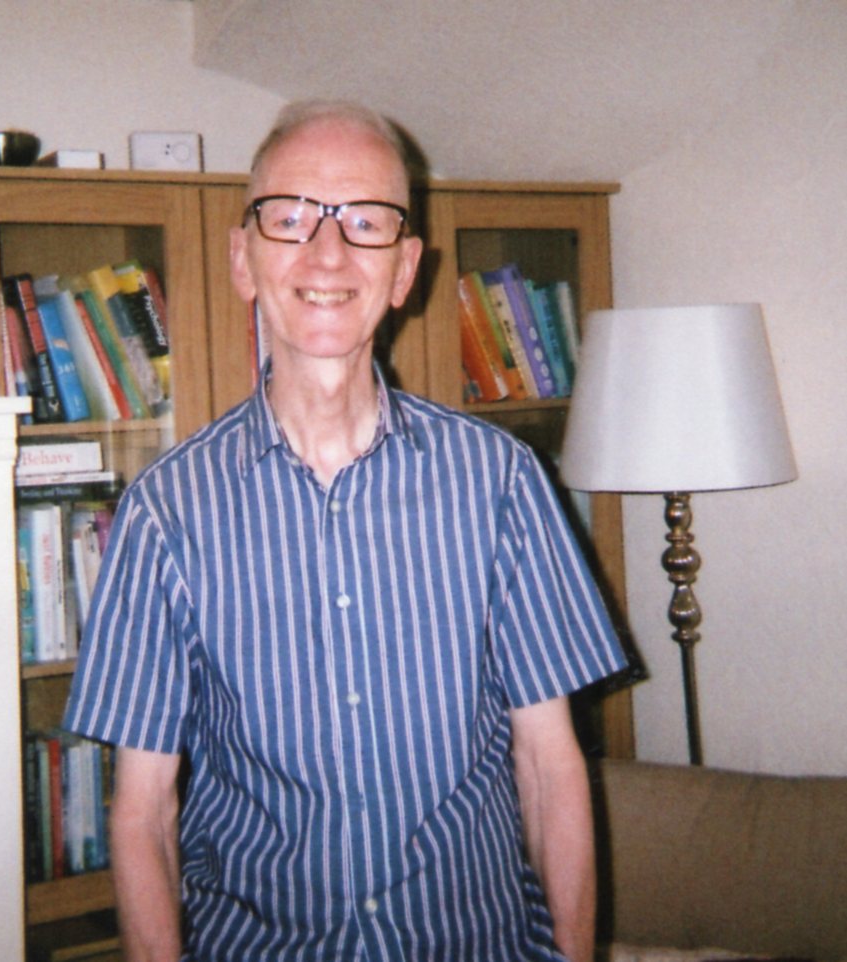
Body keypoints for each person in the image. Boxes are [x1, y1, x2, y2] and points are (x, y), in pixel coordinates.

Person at [63, 100, 627, 962]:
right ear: (243, 258)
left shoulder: (502, 481)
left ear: (404, 270)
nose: (327, 253)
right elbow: (143, 815)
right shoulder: (163, 512)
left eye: (365, 222)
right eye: (290, 218)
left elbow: (551, 767)